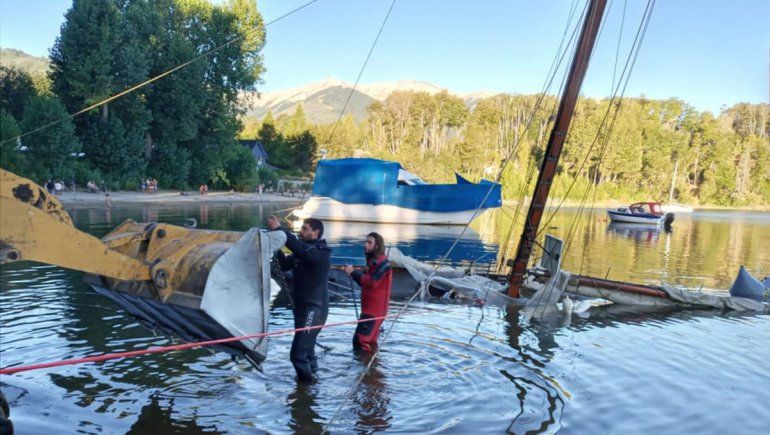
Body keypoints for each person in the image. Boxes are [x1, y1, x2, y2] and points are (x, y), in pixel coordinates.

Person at [267, 215, 331, 383]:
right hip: (302, 309)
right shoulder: (302, 253)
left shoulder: (321, 252)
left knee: (298, 355)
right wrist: (275, 244)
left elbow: (300, 248)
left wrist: (280, 231)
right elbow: (283, 264)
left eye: (305, 229)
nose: (301, 232)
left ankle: (306, 388)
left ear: (316, 232)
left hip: (315, 310)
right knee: (307, 352)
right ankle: (314, 385)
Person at [344, 232, 392, 354]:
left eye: (369, 242)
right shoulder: (374, 263)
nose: (365, 245)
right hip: (370, 312)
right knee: (369, 342)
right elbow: (367, 282)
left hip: (373, 313)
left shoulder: (383, 263)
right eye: (366, 242)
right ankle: (372, 363)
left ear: (377, 246)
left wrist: (353, 272)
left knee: (360, 342)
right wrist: (357, 273)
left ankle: (367, 364)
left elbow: (372, 282)